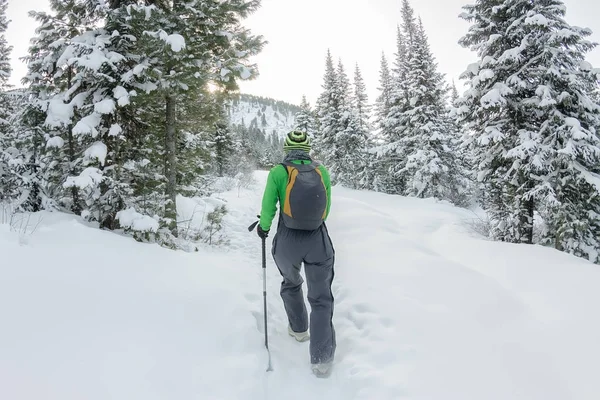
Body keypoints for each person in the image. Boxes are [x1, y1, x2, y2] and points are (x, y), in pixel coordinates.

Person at [256, 130, 336, 378]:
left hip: (288, 241)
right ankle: (322, 360)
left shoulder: (279, 171)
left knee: (291, 283)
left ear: (286, 147)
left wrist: (264, 228)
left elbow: (268, 206)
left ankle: (299, 330)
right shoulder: (321, 171)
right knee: (321, 297)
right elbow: (327, 209)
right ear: (308, 147)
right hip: (317, 240)